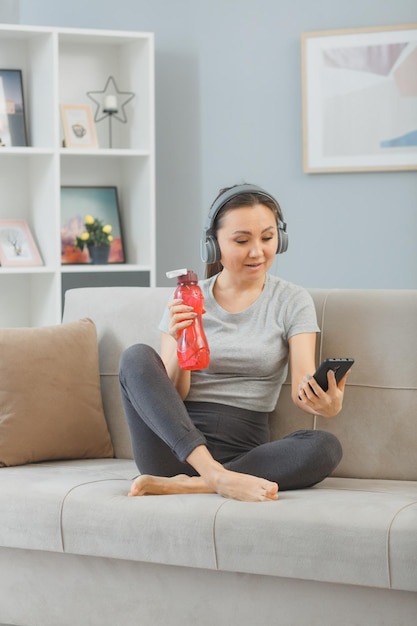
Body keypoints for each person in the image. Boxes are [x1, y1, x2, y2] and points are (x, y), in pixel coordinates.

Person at [119, 183, 348, 502]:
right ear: (213, 245)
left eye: (267, 238)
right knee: (136, 357)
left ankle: (197, 483)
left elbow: (302, 386)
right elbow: (171, 394)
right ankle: (214, 476)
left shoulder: (292, 301)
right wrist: (181, 340)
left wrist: (327, 402)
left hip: (245, 449)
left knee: (325, 446)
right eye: (242, 240)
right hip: (174, 448)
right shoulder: (186, 298)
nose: (257, 251)